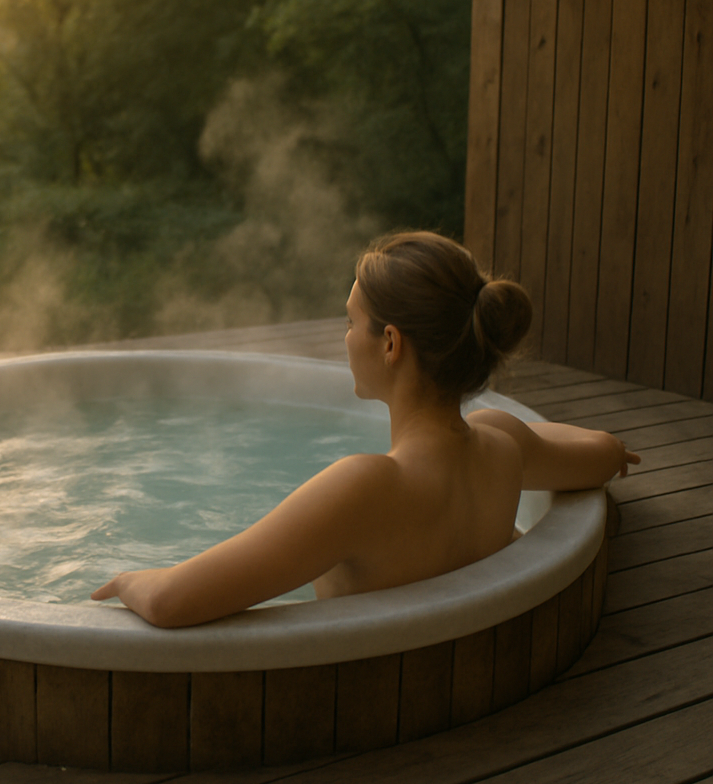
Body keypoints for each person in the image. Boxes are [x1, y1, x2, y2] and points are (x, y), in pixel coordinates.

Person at [92, 231, 639, 628]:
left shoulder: (365, 488)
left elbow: (172, 604)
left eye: (351, 321)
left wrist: (130, 580)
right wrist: (615, 450)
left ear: (391, 344)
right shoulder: (503, 444)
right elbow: (599, 454)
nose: (345, 336)